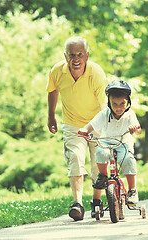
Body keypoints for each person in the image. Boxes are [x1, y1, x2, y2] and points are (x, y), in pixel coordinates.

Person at [46, 36, 108, 221]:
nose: (76, 59)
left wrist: (103, 126)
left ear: (87, 55)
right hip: (72, 123)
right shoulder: (57, 71)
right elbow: (53, 90)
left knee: (99, 164)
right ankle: (77, 204)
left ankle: (97, 201)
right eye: (72, 55)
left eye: (80, 54)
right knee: (74, 158)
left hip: (96, 123)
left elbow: (104, 105)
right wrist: (51, 116)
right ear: (65, 56)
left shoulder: (96, 73)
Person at [78, 80, 141, 205]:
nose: (118, 108)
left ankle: (132, 190)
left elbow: (137, 129)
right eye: (114, 104)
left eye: (122, 103)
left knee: (128, 159)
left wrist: (135, 129)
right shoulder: (104, 114)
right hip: (106, 141)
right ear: (109, 103)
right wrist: (85, 129)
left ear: (128, 102)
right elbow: (92, 125)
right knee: (101, 152)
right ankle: (103, 175)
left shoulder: (130, 114)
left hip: (124, 142)